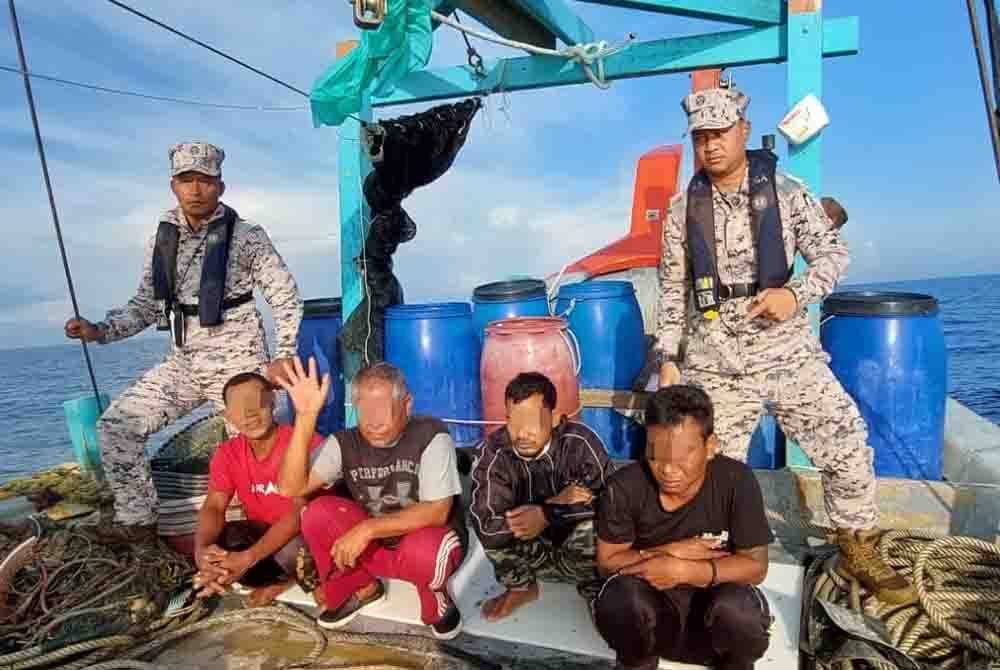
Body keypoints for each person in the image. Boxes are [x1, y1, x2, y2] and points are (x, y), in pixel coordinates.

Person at [653, 87, 913, 604]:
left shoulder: (787, 193)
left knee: (845, 441)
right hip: (715, 358)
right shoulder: (682, 211)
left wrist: (795, 295)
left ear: (744, 131)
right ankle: (708, 557)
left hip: (787, 352)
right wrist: (668, 360)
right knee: (703, 466)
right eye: (701, 137)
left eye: (720, 133)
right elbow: (672, 291)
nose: (711, 145)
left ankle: (856, 545)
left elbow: (833, 256)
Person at [64, 142, 303, 541]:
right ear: (173, 185)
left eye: (204, 180)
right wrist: (100, 331)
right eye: (186, 180)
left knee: (255, 449)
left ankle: (268, 534)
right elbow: (145, 305)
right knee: (117, 426)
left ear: (220, 186)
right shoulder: (164, 239)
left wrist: (285, 354)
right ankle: (138, 524)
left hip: (238, 365)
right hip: (184, 364)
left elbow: (285, 297)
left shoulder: (248, 237)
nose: (195, 189)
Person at [276, 358, 465, 639]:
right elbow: (291, 488)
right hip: (372, 548)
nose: (374, 421)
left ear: (407, 405)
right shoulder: (344, 442)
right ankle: (363, 589)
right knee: (316, 513)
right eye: (366, 409)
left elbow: (437, 511)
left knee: (429, 548)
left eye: (383, 408)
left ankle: (436, 599)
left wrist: (367, 529)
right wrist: (305, 417)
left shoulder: (431, 435)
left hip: (421, 541)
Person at [594, 385, 773, 670]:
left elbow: (756, 566)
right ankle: (637, 663)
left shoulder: (737, 481)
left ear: (710, 446)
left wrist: (684, 571)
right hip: (655, 621)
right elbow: (607, 564)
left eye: (682, 456)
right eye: (656, 455)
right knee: (620, 599)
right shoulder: (623, 487)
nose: (668, 470)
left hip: (714, 624)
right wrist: (669, 552)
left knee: (739, 612)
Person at [470, 372, 610, 621]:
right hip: (531, 555)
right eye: (514, 422)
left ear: (554, 418)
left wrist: (548, 516)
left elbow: (614, 507)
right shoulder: (493, 452)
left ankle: (595, 587)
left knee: (597, 529)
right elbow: (486, 524)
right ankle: (521, 587)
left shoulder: (580, 444)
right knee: (493, 532)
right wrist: (550, 506)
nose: (522, 433)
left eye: (532, 422)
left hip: (576, 554)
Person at [194, 371, 323, 607]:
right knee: (224, 543)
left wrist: (248, 557)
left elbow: (300, 513)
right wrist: (202, 553)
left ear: (273, 401)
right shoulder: (227, 452)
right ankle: (272, 580)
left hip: (303, 538)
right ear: (227, 416)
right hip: (264, 541)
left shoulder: (305, 441)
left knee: (297, 550)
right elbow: (214, 506)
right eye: (238, 407)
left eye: (256, 402)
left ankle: (291, 583)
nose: (249, 414)